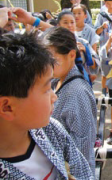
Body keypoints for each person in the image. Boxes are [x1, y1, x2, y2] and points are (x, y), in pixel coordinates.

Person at [0, 32, 94, 179]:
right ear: (7, 107)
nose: (54, 96)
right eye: (46, 89)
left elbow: (82, 169)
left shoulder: (51, 129)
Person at [43, 27, 97, 174]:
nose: (47, 65)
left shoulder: (78, 93)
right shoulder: (55, 81)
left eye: (53, 60)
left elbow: (83, 151)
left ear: (72, 55)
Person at [56, 11, 100, 83]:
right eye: (65, 22)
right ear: (58, 25)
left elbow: (95, 66)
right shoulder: (54, 44)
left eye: (72, 22)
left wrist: (86, 52)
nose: (69, 25)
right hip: (60, 83)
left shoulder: (83, 43)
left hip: (80, 82)